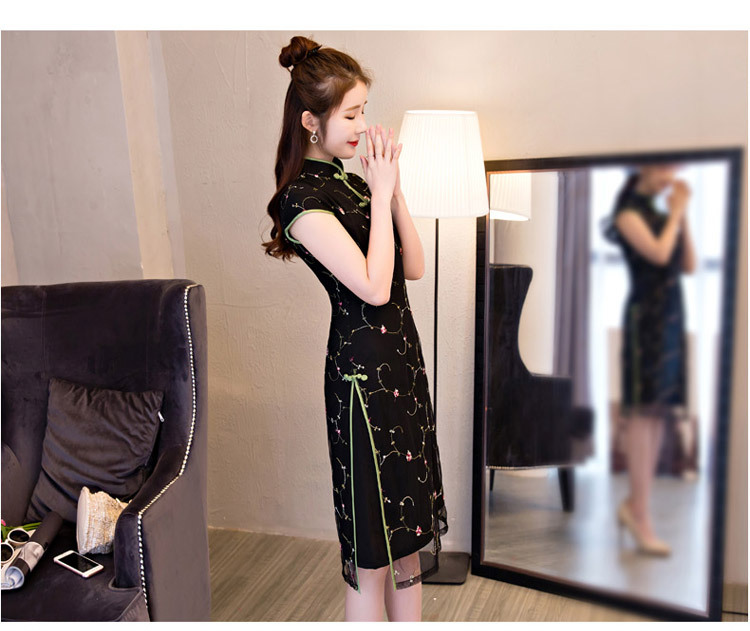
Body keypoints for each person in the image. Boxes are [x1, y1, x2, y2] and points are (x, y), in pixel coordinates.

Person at [262, 36, 448, 622]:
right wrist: (382, 190)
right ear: (310, 122)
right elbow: (373, 287)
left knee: (407, 539)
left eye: (364, 111)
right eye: (350, 114)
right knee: (372, 556)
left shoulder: (352, 182)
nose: (363, 126)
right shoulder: (300, 201)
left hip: (401, 368)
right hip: (362, 383)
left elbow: (413, 266)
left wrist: (393, 194)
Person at [601, 162, 696, 556]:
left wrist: (681, 216)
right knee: (643, 413)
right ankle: (639, 513)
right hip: (646, 321)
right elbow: (658, 255)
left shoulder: (662, 213)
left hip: (671, 316)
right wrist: (677, 211)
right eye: (666, 167)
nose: (672, 174)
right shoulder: (628, 214)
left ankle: (636, 506)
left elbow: (687, 263)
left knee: (658, 414)